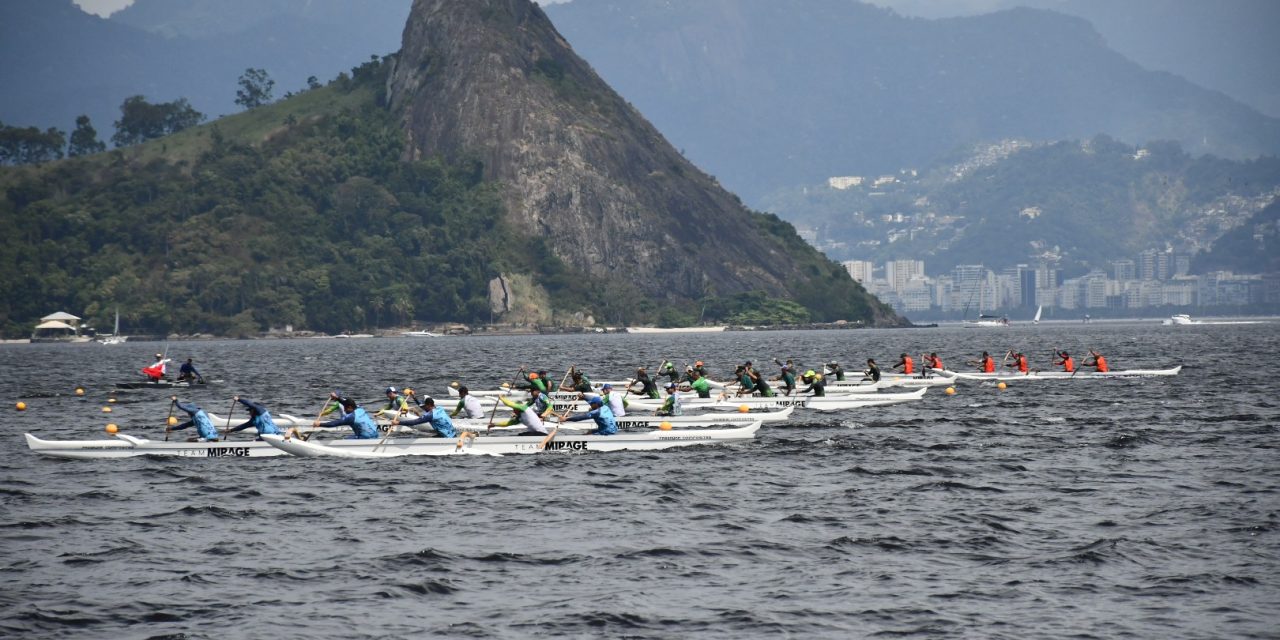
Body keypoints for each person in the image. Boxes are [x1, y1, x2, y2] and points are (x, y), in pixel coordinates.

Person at [313, 396, 379, 439]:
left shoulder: (351, 417)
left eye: (345, 408)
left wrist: (319, 424)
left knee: (345, 439)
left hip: (365, 438)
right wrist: (337, 398)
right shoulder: (360, 408)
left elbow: (335, 423)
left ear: (350, 407)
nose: (344, 410)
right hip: (376, 435)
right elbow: (345, 403)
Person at [393, 396, 457, 438]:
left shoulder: (430, 416)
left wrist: (398, 422)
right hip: (454, 434)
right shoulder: (440, 408)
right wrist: (414, 397)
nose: (423, 408)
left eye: (424, 406)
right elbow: (422, 405)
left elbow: (414, 422)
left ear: (429, 405)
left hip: (446, 437)